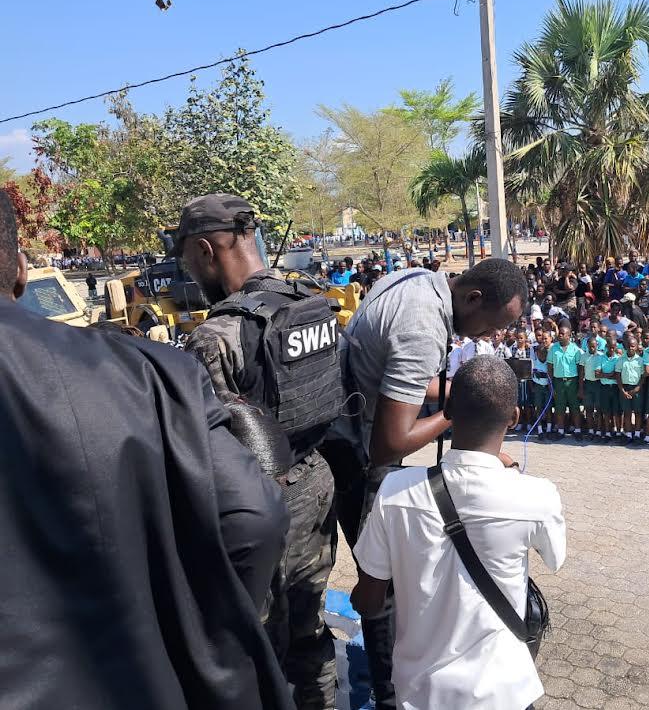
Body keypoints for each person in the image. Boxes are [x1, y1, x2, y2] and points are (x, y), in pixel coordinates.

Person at [0, 190, 293, 710]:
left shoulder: (193, 351)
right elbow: (254, 519)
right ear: (22, 270)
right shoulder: (150, 374)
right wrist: (206, 645)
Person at [325, 255, 527, 708]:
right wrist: (459, 413)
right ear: (473, 297)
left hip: (346, 431)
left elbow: (402, 382)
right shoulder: (424, 326)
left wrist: (463, 393)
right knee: (383, 586)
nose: (488, 338)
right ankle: (390, 695)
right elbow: (390, 444)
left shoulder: (418, 281)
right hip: (357, 454)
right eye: (491, 326)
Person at [173, 194, 338, 709]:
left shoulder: (215, 336)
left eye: (187, 261)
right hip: (318, 484)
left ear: (205, 250)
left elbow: (208, 452)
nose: (190, 272)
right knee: (311, 633)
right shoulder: (312, 302)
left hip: (259, 507)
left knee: (257, 640)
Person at [350, 356, 566, 708]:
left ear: (447, 410)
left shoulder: (395, 490)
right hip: (504, 691)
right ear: (513, 417)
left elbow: (369, 601)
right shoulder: (537, 495)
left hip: (421, 694)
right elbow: (555, 558)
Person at [547, 323, 583, 441]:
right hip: (558, 382)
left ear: (569, 336)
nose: (559, 336)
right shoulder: (554, 348)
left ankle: (577, 431)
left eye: (563, 334)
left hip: (572, 381)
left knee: (575, 407)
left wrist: (580, 386)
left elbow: (580, 368)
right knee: (559, 407)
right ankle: (560, 431)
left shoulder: (576, 350)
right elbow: (550, 367)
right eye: (559, 333)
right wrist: (551, 384)